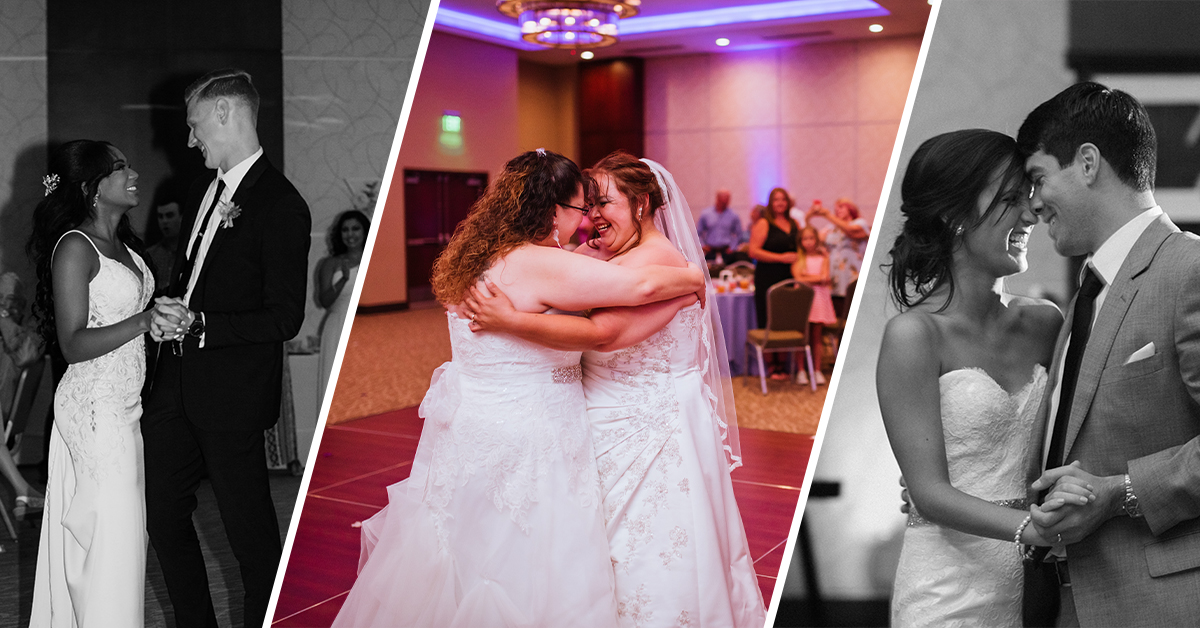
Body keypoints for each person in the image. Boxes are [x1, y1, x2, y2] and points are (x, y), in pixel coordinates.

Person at [331, 149, 706, 627]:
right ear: (553, 212)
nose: (585, 221)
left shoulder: (481, 254)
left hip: (476, 425)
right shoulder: (539, 264)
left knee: (471, 547)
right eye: (578, 209)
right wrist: (694, 275)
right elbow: (638, 290)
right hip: (534, 431)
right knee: (533, 559)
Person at [462, 152, 767, 628]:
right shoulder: (603, 256)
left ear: (641, 204)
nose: (593, 217)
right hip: (599, 415)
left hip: (652, 423)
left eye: (604, 203)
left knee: (651, 546)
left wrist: (513, 321)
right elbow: (562, 273)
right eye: (588, 206)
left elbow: (607, 333)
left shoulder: (659, 257)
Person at [1018, 82, 1200, 626]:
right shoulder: (1088, 294)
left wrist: (1120, 493)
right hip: (1065, 599)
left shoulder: (1189, 270)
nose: (1033, 203)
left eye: (1038, 178)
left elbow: (1105, 482)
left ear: (1088, 163)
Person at [879, 130, 1075, 627]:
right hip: (947, 587)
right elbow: (929, 492)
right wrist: (1037, 527)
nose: (1031, 215)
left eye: (1029, 198)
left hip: (1040, 587)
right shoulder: (914, 335)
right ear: (955, 215)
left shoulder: (1045, 321)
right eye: (1011, 200)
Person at [144, 68, 311, 628]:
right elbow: (193, 282)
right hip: (174, 386)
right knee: (162, 513)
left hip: (232, 393)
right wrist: (169, 309)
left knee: (249, 534)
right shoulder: (199, 192)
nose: (191, 142)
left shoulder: (282, 204)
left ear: (224, 114)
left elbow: (285, 317)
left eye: (195, 127)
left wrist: (201, 325)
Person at [27, 140, 156, 626]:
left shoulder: (123, 246)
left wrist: (162, 321)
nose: (133, 172)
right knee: (113, 543)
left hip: (126, 409)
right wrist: (144, 322)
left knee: (123, 541)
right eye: (120, 167)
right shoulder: (74, 246)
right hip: (96, 411)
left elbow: (122, 320)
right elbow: (73, 343)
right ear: (91, 188)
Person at [0, 271, 45, 518]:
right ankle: (22, 488)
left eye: (10, 299)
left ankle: (22, 488)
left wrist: (3, 319)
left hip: (5, 420)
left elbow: (26, 354)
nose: (5, 306)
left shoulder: (28, 335)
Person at [315, 209, 369, 398]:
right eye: (345, 230)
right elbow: (324, 301)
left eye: (355, 229)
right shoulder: (330, 263)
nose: (350, 234)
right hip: (338, 325)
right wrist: (343, 279)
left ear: (364, 231)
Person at [748, 187, 799, 378]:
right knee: (768, 319)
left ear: (788, 203)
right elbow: (753, 251)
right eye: (776, 200)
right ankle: (771, 366)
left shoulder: (794, 223)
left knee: (784, 320)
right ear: (771, 203)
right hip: (767, 277)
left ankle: (783, 365)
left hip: (789, 278)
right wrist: (781, 258)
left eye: (783, 200)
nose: (780, 203)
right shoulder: (763, 223)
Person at [791, 226, 836, 385]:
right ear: (801, 242)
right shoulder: (797, 258)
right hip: (803, 299)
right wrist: (816, 278)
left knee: (817, 336)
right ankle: (801, 371)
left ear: (816, 240)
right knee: (801, 335)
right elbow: (798, 278)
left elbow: (825, 277)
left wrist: (807, 277)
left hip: (819, 298)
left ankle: (817, 370)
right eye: (805, 239)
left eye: (811, 238)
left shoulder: (824, 257)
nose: (808, 242)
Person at [810, 197, 870, 310]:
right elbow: (813, 239)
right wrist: (809, 216)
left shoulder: (859, 223)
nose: (838, 210)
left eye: (841, 207)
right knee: (837, 305)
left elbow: (850, 231)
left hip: (852, 273)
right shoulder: (831, 228)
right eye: (836, 209)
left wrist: (827, 215)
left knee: (852, 303)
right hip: (834, 274)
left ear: (850, 208)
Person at [144, 201, 183, 294]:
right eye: (160, 216)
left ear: (182, 217)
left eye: (170, 215)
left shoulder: (189, 253)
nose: (164, 221)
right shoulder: (150, 255)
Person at [696, 188, 743, 262]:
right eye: (722, 200)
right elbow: (698, 232)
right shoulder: (706, 214)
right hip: (710, 250)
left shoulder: (733, 215)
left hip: (726, 251)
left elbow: (739, 234)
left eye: (726, 200)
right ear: (717, 198)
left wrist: (733, 247)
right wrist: (703, 245)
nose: (724, 202)